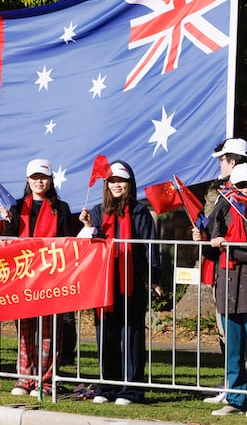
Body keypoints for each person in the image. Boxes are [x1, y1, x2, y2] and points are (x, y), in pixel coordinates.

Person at [78, 160, 162, 406]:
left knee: (132, 335)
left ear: (129, 184)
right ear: (106, 184)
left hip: (132, 283)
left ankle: (131, 390)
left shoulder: (139, 212)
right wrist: (87, 227)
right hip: (103, 284)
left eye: (121, 181)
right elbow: (88, 246)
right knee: (106, 335)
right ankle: (108, 386)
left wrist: (155, 278)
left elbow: (151, 247)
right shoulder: (96, 211)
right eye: (112, 181)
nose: (117, 185)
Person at [193, 164, 247, 418]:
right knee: (233, 348)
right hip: (228, 284)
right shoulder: (223, 208)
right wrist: (204, 240)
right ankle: (235, 397)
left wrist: (229, 246)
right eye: (240, 186)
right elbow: (211, 250)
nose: (246, 191)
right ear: (232, 187)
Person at [2, 158, 74, 397]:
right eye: (34, 177)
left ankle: (46, 380)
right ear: (28, 180)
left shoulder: (61, 208)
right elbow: (8, 242)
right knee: (25, 329)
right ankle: (25, 377)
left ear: (50, 179)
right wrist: (9, 223)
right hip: (23, 278)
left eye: (42, 177)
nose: (38, 182)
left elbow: (67, 242)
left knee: (50, 332)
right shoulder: (16, 207)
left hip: (51, 278)